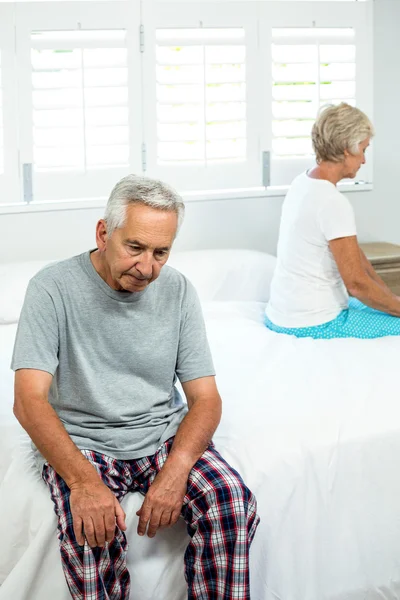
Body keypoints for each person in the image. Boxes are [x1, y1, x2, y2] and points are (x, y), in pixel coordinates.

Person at [12, 175, 259, 600]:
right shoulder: (51, 288)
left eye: (161, 252)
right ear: (104, 233)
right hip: (85, 441)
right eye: (135, 248)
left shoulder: (178, 289)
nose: (147, 267)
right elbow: (28, 401)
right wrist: (84, 483)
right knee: (90, 535)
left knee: (232, 502)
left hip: (162, 434)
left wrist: (178, 468)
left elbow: (205, 398)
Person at [265, 102, 400, 339]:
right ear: (347, 149)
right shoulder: (332, 203)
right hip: (312, 322)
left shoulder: (303, 183)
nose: (364, 161)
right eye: (363, 150)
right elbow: (356, 284)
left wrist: (393, 299)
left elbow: (357, 259)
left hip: (282, 314)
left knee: (382, 306)